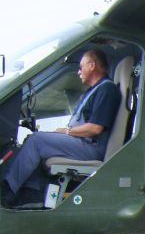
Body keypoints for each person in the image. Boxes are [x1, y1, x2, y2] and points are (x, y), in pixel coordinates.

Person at [1, 49, 120, 208]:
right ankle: (31, 194)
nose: (78, 72)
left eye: (81, 67)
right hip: (82, 143)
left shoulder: (106, 89)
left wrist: (66, 131)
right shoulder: (94, 90)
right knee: (33, 140)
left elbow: (95, 128)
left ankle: (6, 192)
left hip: (91, 147)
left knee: (37, 140)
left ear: (92, 65)